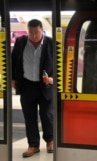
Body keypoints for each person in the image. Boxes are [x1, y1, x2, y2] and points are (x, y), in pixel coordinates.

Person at [11, 19, 54, 158]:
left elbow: (60, 64)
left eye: (37, 32)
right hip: (27, 85)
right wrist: (13, 78)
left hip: (45, 85)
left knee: (47, 115)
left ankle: (50, 141)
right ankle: (33, 145)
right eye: (31, 32)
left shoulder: (50, 43)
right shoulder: (20, 42)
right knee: (30, 117)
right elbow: (12, 61)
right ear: (27, 31)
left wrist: (53, 79)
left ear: (42, 30)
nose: (34, 35)